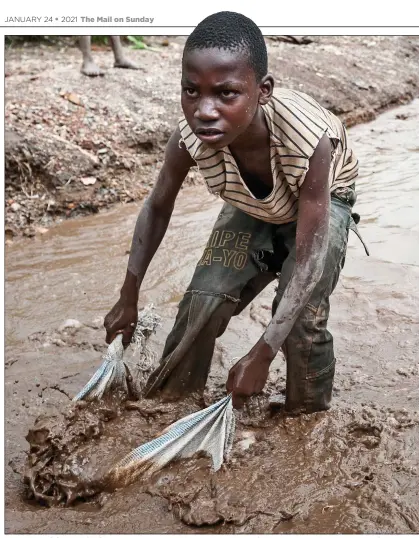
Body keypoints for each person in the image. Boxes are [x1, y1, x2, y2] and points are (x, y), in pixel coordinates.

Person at [104, 12, 368, 412]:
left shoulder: (308, 140)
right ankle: (169, 404)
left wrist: (262, 354)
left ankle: (306, 419)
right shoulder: (189, 137)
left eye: (226, 93)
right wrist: (129, 295)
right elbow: (158, 206)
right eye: (191, 91)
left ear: (263, 91)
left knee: (300, 319)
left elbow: (310, 257)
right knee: (203, 300)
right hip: (253, 203)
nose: (205, 111)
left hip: (320, 199)